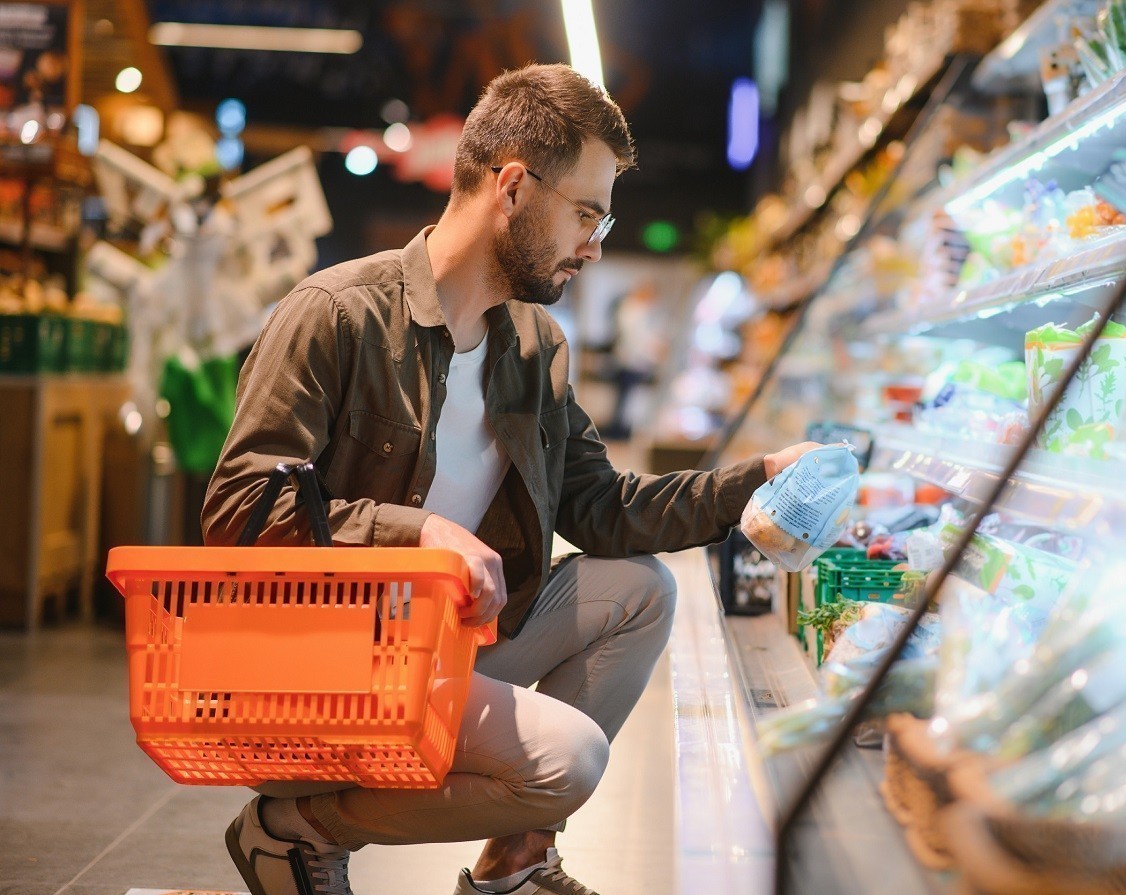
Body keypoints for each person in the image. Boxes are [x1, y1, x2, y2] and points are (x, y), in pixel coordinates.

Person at [202, 62, 817, 895]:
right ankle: (296, 829)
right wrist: (417, 530)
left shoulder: (533, 347)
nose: (595, 244)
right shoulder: (337, 312)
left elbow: (602, 510)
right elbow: (241, 506)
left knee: (638, 590)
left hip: (440, 647)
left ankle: (515, 866)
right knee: (571, 761)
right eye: (587, 213)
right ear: (516, 187)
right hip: (336, 662)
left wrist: (760, 480)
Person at [606, 279, 664, 440]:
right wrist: (652, 355)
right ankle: (619, 431)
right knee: (625, 399)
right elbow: (636, 340)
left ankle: (620, 429)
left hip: (631, 360)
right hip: (630, 362)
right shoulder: (634, 311)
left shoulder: (633, 310)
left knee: (625, 399)